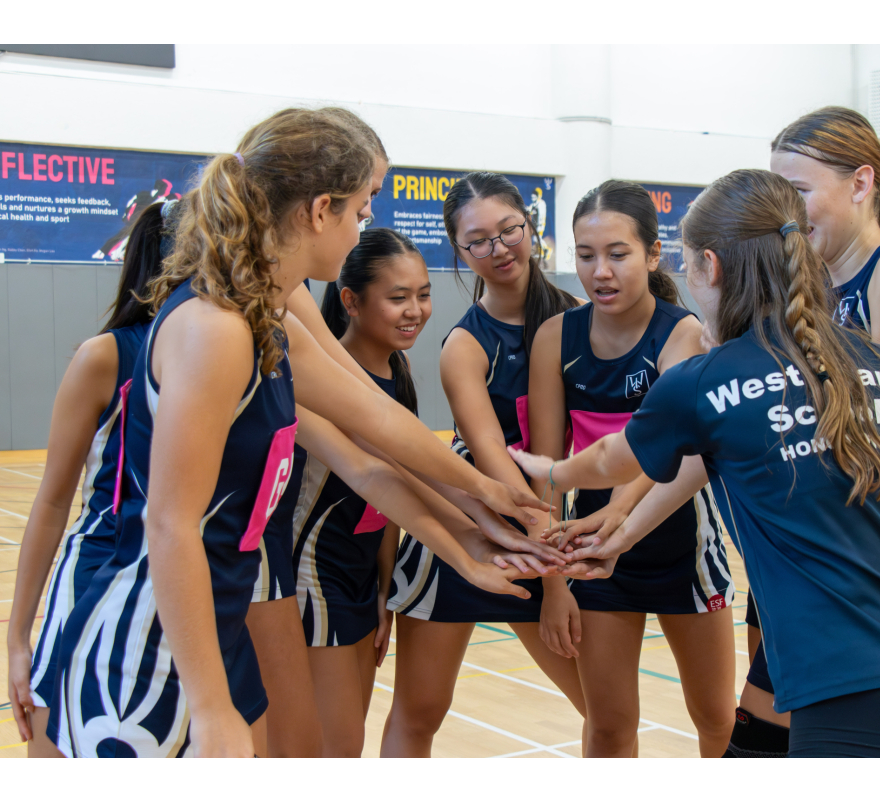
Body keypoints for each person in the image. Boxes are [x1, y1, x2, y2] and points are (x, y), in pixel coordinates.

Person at [44, 107, 554, 758]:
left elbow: (376, 425)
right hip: (146, 640)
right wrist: (207, 702)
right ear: (319, 211)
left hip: (213, 619)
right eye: (359, 214)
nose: (359, 233)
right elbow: (170, 524)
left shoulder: (267, 321)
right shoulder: (217, 329)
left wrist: (483, 515)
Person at [512, 168, 880, 758]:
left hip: (857, 701)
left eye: (684, 263)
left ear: (711, 267)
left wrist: (550, 472)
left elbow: (611, 458)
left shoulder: (704, 381)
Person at [705, 106, 880, 754]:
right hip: (805, 556)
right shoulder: (816, 286)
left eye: (795, 191)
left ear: (860, 182)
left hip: (876, 566)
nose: (782, 209)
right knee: (766, 736)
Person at [381, 171, 588, 757]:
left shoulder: (580, 319)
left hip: (546, 535)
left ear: (531, 227)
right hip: (464, 526)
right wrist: (555, 584)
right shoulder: (464, 346)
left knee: (603, 704)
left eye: (508, 230)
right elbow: (501, 474)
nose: (499, 249)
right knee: (420, 713)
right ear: (459, 252)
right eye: (478, 240)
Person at [525, 180, 735, 758]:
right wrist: (552, 584)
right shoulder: (556, 338)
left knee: (718, 719)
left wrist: (622, 513)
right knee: (610, 723)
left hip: (681, 543)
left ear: (652, 254)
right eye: (586, 255)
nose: (601, 272)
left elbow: (665, 446)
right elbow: (547, 474)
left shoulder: (684, 333)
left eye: (618, 254)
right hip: (593, 555)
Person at [6, 200, 178, 757]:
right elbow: (54, 499)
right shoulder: (105, 356)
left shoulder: (238, 355)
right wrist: (16, 638)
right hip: (97, 574)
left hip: (181, 586)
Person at [290, 228, 430, 756]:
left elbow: (389, 501)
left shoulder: (400, 370)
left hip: (359, 581)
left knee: (346, 743)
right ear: (350, 300)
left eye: (422, 293)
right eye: (397, 297)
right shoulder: (327, 381)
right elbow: (374, 478)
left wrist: (383, 589)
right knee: (338, 751)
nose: (414, 309)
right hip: (314, 576)